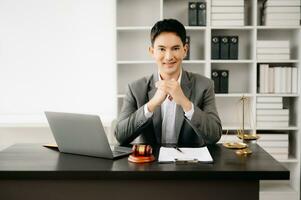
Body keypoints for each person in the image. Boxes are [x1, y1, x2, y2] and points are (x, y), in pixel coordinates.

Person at [115, 19, 222, 146]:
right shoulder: (135, 88)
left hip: (188, 163)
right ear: (152, 51)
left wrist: (185, 103)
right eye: (161, 49)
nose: (169, 57)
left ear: (185, 50)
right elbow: (120, 136)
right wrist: (152, 104)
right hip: (150, 163)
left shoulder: (205, 85)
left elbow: (215, 135)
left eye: (175, 48)